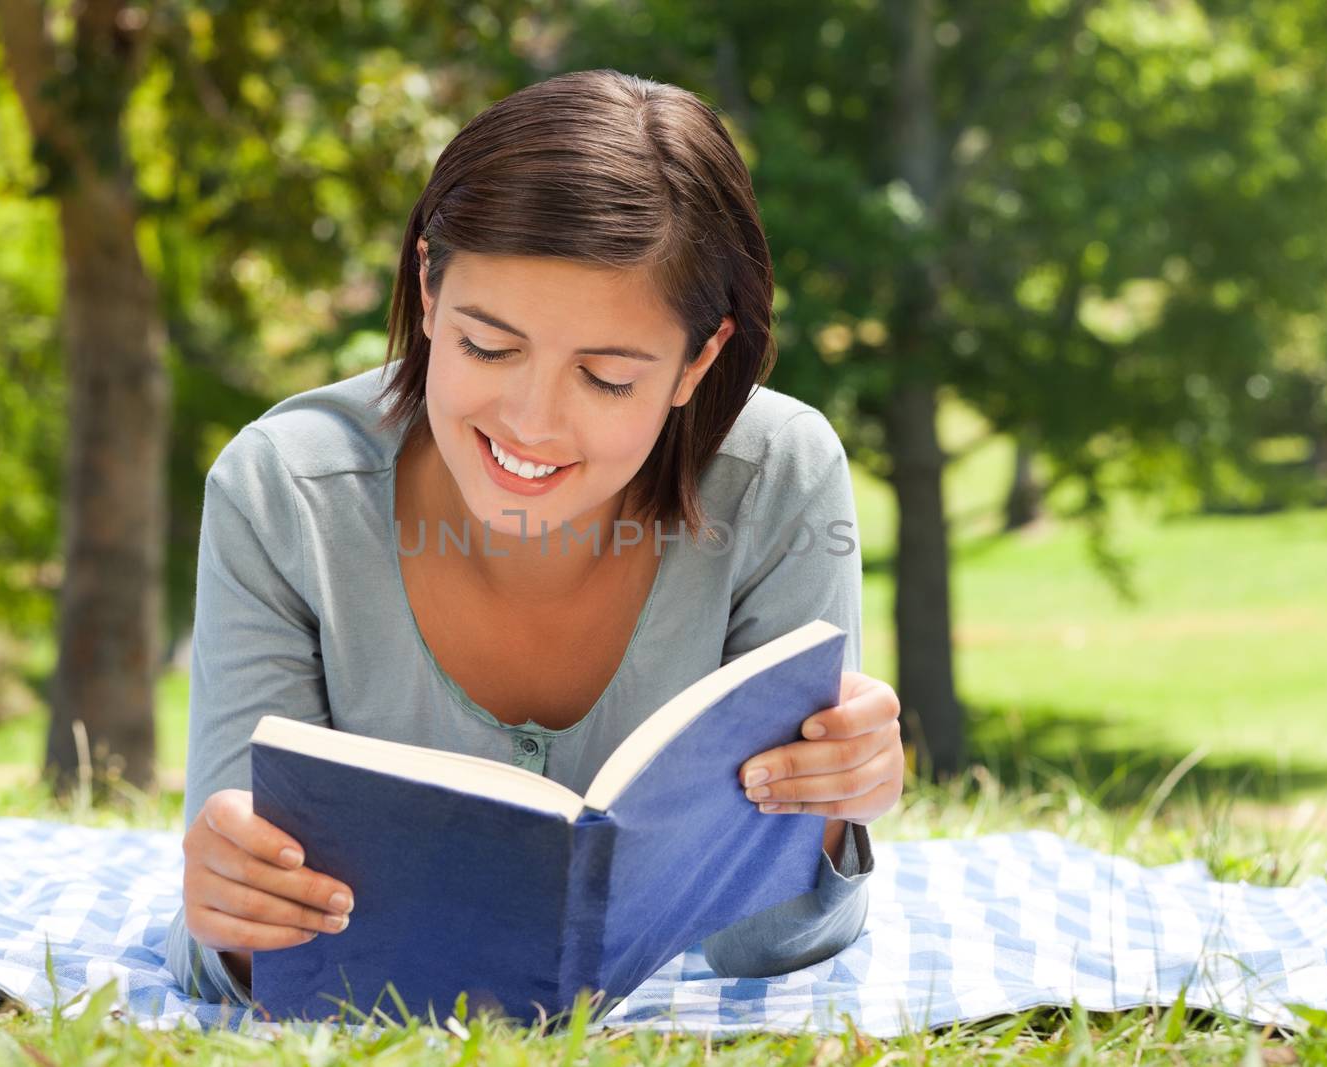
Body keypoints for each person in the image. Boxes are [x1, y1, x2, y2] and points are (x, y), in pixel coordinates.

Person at [164, 68, 906, 1007]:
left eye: (605, 377)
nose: (532, 424)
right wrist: (234, 913)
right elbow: (230, 952)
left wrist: (835, 815)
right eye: (487, 346)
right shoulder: (281, 493)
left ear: (700, 358)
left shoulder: (781, 479)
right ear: (429, 292)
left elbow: (771, 948)